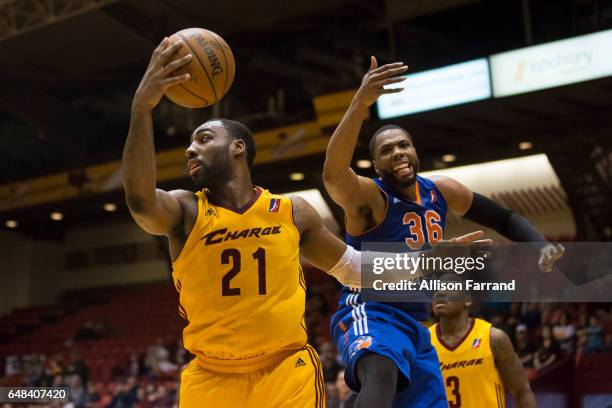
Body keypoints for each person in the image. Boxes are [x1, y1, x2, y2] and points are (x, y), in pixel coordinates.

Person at [122, 38, 482, 407]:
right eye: (191, 144)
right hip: (211, 375)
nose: (190, 149)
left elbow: (355, 270)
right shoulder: (186, 211)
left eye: (204, 138)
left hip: (285, 371)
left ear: (238, 148)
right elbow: (139, 201)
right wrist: (142, 107)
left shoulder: (292, 211)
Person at [323, 56, 565, 407]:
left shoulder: (442, 191)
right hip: (371, 310)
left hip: (417, 323)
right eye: (387, 151)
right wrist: (359, 105)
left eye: (404, 145)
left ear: (415, 151)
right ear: (375, 165)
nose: (398, 153)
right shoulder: (368, 198)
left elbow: (503, 217)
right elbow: (333, 174)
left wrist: (538, 244)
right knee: (381, 370)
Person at [430, 288, 536, 408]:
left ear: (467, 300)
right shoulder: (423, 344)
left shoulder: (494, 338)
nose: (439, 294)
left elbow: (522, 392)